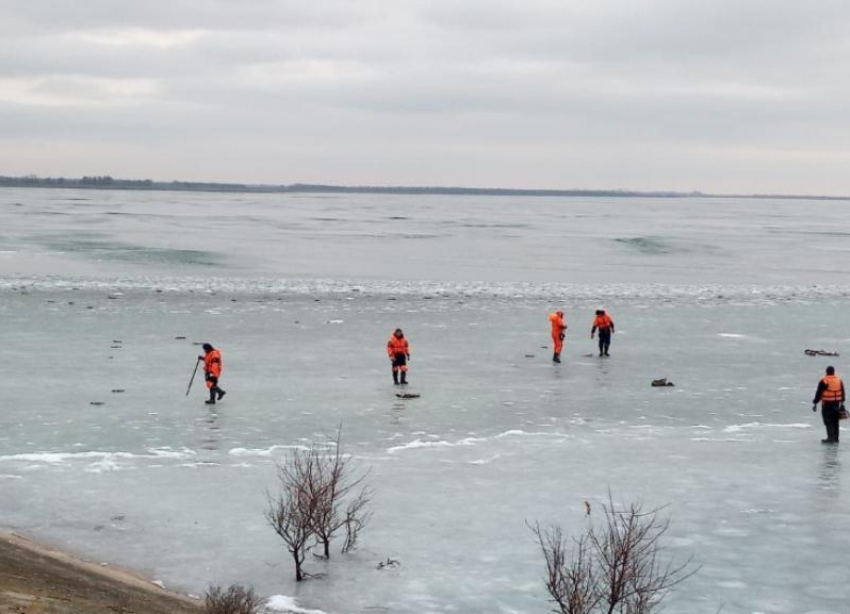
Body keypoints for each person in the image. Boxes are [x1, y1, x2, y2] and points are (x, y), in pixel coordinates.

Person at [812, 365, 845, 443]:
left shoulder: (824, 380)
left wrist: (815, 402)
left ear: (826, 372)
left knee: (828, 421)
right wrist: (842, 401)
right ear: (833, 372)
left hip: (827, 404)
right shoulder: (839, 380)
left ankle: (830, 438)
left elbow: (819, 392)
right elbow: (842, 391)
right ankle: (836, 438)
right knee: (835, 421)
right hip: (836, 403)